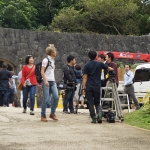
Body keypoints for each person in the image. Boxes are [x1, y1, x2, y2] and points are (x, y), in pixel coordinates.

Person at [82, 51, 114, 123]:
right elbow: (108, 68)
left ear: (89, 57)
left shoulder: (86, 65)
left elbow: (85, 77)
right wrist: (112, 69)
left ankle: (93, 118)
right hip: (97, 85)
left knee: (90, 102)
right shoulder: (100, 64)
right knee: (97, 102)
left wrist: (84, 87)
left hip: (89, 86)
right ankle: (99, 116)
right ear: (96, 56)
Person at [41, 44, 59, 122]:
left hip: (52, 81)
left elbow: (52, 71)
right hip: (46, 81)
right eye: (55, 51)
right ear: (51, 52)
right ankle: (43, 115)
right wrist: (45, 81)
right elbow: (42, 71)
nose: (56, 52)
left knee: (56, 97)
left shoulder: (53, 60)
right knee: (46, 98)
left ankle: (52, 113)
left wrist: (54, 80)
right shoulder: (45, 60)